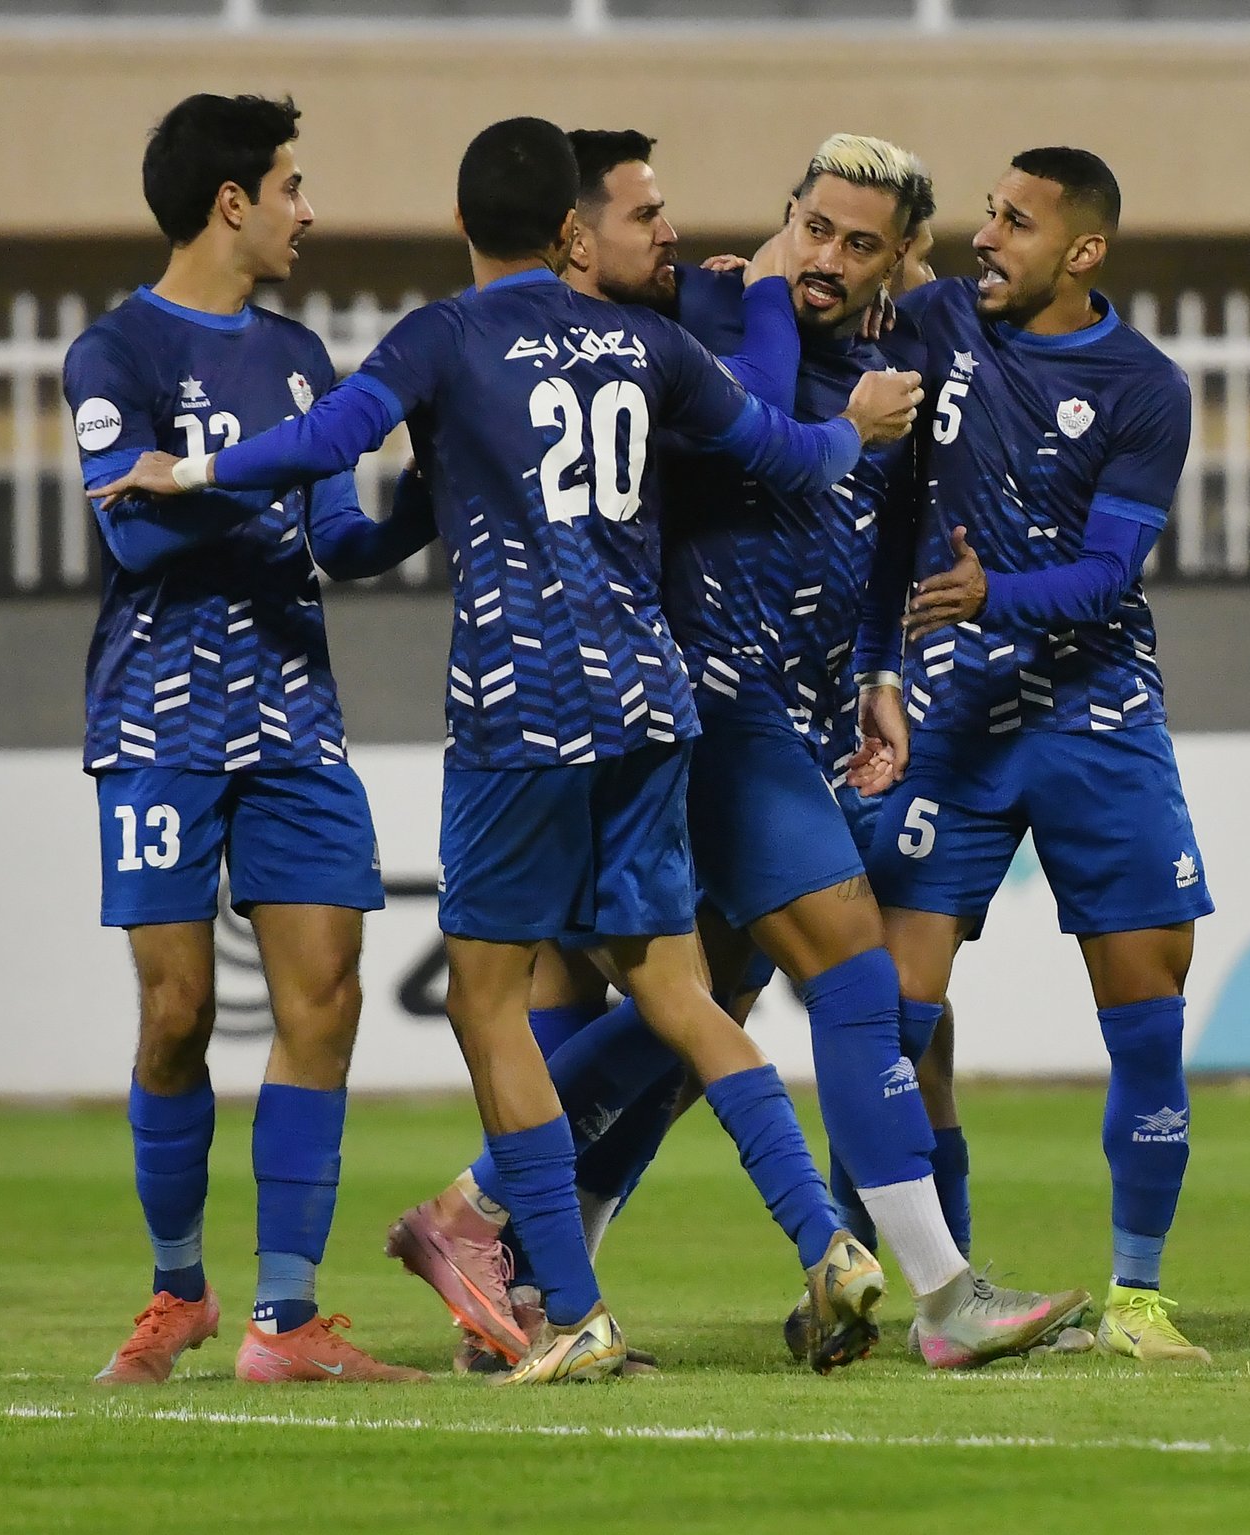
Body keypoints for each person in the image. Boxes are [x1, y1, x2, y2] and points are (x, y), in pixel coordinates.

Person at [97, 116, 924, 1384]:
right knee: (676, 984)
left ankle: (572, 1307)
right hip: (652, 700)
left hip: (519, 706)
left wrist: (188, 462)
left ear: (461, 228)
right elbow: (784, 450)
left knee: (489, 997)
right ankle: (825, 1237)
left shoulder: (444, 334)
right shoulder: (648, 343)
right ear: (567, 232)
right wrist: (855, 430)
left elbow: (332, 448)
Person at [388, 130, 1087, 1374]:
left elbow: (890, 534)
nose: (824, 258)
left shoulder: (901, 360)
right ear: (782, 223)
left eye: (857, 243)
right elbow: (577, 331)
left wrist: (876, 668)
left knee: (685, 1013)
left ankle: (516, 1254)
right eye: (810, 227)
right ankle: (938, 1289)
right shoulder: (700, 304)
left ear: (897, 260)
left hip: (778, 711)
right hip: (692, 707)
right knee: (851, 970)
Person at [64, 93, 431, 1387]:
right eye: (291, 184)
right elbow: (138, 533)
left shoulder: (295, 356)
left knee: (322, 995)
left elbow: (335, 540)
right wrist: (258, 475)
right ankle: (179, 1291)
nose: (307, 209)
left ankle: (285, 1316)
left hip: (295, 715)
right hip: (160, 719)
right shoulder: (114, 355)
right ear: (233, 201)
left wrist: (415, 507)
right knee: (173, 1012)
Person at [861, 147, 1214, 1365]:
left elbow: (1113, 569)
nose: (985, 236)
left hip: (1092, 713)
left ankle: (1138, 1292)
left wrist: (987, 591)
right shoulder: (939, 317)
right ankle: (946, 1293)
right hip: (952, 713)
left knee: (1145, 1015)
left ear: (1082, 251)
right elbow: (826, 286)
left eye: (1015, 221)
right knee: (891, 1016)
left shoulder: (1143, 387)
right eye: (987, 212)